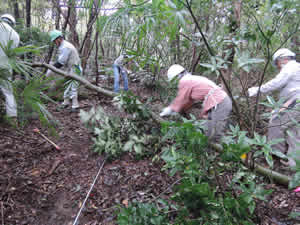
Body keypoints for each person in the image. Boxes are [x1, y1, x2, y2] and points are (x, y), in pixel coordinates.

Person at [248, 48, 300, 167]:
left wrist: (257, 90)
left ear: (282, 59)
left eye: (277, 63)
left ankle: (275, 154)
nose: (277, 67)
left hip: (296, 100)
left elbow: (277, 82)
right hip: (295, 101)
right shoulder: (297, 67)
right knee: (293, 130)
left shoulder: (290, 67)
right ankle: (294, 163)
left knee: (275, 121)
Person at [160, 64, 232, 140]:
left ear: (178, 76)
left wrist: (170, 109)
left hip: (220, 102)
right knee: (210, 130)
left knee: (213, 134)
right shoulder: (191, 79)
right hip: (221, 101)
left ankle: (222, 149)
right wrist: (178, 109)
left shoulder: (185, 81)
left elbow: (181, 99)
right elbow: (188, 101)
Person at [47, 30, 82, 112]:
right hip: (70, 69)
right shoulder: (63, 46)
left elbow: (61, 62)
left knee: (73, 87)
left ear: (59, 38)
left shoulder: (65, 47)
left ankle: (75, 106)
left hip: (75, 68)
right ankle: (65, 103)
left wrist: (51, 69)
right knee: (67, 86)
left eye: (55, 41)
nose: (55, 43)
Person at [0, 14, 20, 121]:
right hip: (5, 66)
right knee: (8, 92)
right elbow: (12, 55)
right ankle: (13, 119)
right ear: (12, 23)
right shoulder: (15, 35)